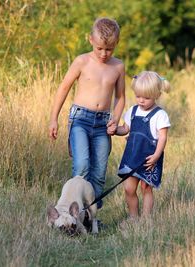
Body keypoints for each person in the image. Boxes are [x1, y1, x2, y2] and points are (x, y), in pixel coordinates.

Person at [49, 17, 125, 209]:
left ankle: (92, 218)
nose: (104, 53)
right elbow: (64, 88)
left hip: (103, 124)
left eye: (109, 49)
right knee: (82, 167)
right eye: (99, 48)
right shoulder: (81, 61)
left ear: (116, 44)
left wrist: (115, 120)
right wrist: (53, 119)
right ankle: (73, 213)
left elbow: (120, 97)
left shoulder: (118, 67)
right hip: (80, 120)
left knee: (99, 173)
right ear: (91, 39)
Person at [115, 71, 171, 219]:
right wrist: (114, 130)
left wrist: (157, 155)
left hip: (149, 158)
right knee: (128, 188)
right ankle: (133, 217)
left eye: (146, 98)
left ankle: (145, 219)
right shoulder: (132, 111)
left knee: (146, 187)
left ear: (157, 96)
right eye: (138, 96)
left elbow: (163, 138)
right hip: (132, 156)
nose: (141, 100)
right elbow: (125, 129)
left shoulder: (160, 115)